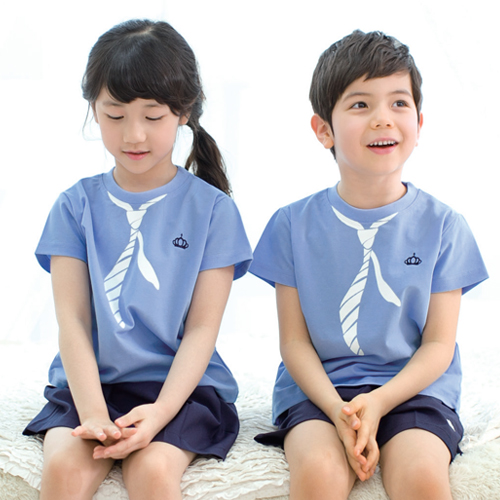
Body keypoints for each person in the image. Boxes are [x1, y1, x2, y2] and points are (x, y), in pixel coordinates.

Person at [249, 30, 488, 500]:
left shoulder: (445, 226)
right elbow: (294, 342)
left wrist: (378, 402)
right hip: (319, 391)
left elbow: (439, 345)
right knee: (319, 473)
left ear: (419, 122)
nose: (383, 118)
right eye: (360, 105)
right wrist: (337, 410)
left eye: (399, 103)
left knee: (421, 478)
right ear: (324, 130)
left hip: (415, 390)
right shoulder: (291, 224)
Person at [23, 19, 252, 500]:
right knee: (64, 471)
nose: (134, 134)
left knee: (151, 472)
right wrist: (92, 414)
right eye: (115, 115)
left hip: (181, 389)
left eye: (152, 116)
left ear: (183, 112)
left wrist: (161, 413)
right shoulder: (74, 206)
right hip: (90, 385)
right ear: (94, 109)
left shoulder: (213, 211)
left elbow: (202, 330)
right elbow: (72, 321)